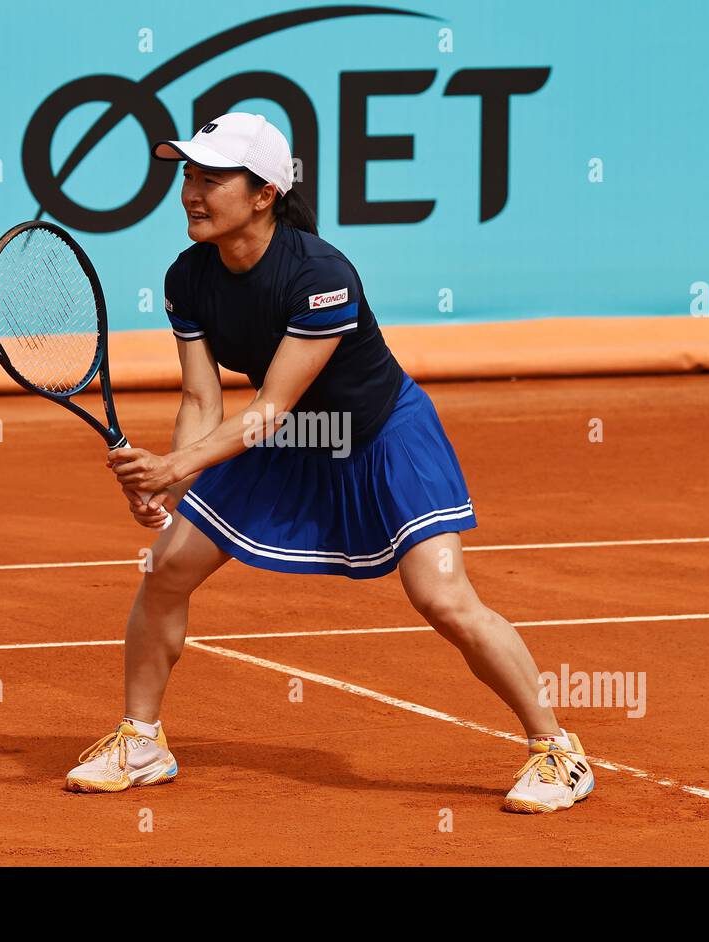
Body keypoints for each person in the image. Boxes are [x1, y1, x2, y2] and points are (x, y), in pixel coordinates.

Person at [65, 112, 595, 813]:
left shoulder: (321, 276)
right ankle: (141, 741)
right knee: (167, 568)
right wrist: (172, 481)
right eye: (187, 175)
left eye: (211, 178)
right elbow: (202, 398)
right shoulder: (188, 277)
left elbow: (270, 411)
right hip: (289, 442)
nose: (191, 192)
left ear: (263, 195)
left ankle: (556, 750)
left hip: (379, 437)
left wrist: (174, 467)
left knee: (442, 597)